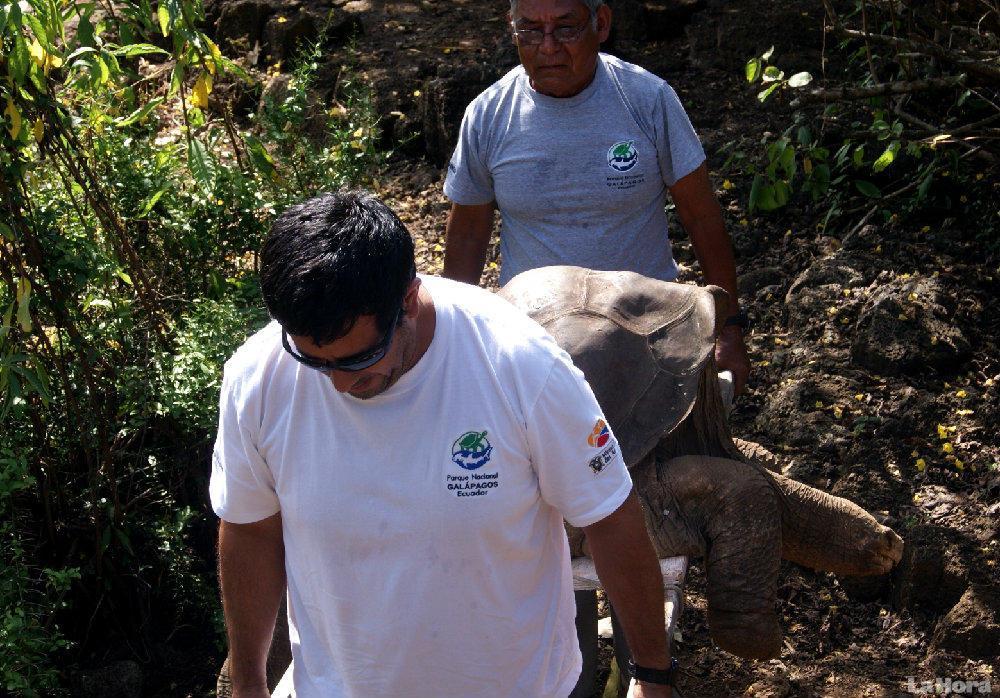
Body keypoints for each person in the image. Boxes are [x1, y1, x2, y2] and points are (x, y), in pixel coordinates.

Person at [210, 190, 677, 697]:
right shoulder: (256, 380)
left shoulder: (519, 365)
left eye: (357, 360)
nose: (339, 385)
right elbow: (251, 530)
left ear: (408, 301)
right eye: (314, 361)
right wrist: (248, 683)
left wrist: (652, 674)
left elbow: (609, 516)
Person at [442, 0, 749, 395]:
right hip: (533, 338)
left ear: (600, 24)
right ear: (511, 29)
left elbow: (701, 216)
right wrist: (449, 341)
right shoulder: (487, 115)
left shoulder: (648, 100)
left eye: (566, 28)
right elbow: (467, 233)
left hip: (648, 333)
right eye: (531, 30)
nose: (548, 46)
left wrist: (728, 329)